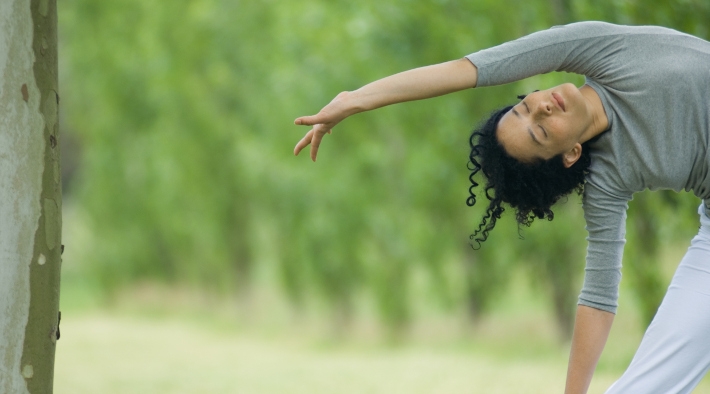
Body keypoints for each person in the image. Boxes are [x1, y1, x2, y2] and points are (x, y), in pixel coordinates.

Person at [293, 21, 710, 394]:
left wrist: (359, 98)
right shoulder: (609, 177)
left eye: (526, 107)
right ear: (570, 154)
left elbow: (472, 69)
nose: (543, 107)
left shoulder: (603, 52)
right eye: (542, 132)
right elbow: (598, 296)